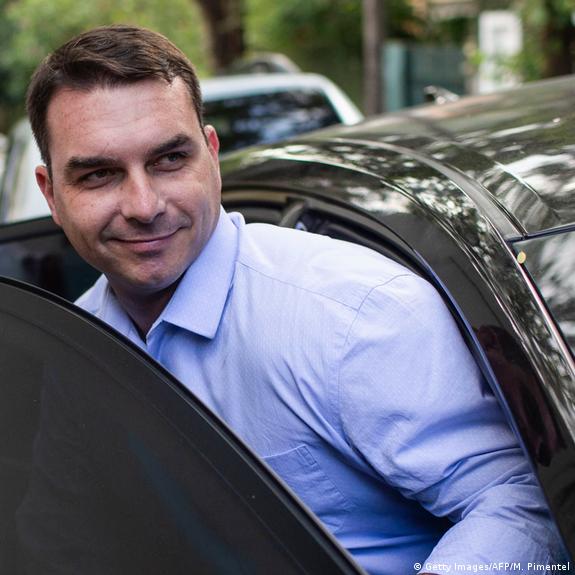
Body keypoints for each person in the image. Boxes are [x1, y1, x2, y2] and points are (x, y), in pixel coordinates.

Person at [24, 25, 566, 575]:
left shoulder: (353, 315)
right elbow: (60, 534)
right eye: (99, 175)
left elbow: (518, 505)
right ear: (51, 194)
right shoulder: (76, 341)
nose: (144, 206)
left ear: (211, 155)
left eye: (169, 160)